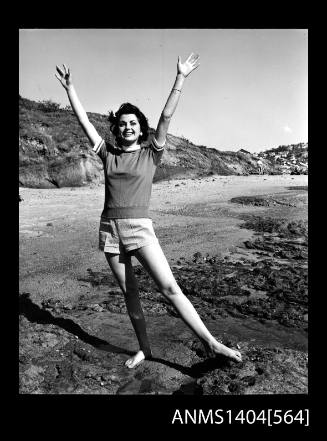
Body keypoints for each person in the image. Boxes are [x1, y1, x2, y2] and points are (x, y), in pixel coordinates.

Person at [55, 54, 242, 369]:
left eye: (133, 123)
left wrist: (180, 77)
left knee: (169, 288)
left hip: (140, 229)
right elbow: (84, 122)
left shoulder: (150, 153)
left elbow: (166, 117)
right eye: (123, 123)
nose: (128, 127)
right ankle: (144, 349)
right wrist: (70, 89)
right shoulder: (108, 154)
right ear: (117, 128)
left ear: (141, 128)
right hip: (109, 230)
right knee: (130, 295)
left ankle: (212, 343)